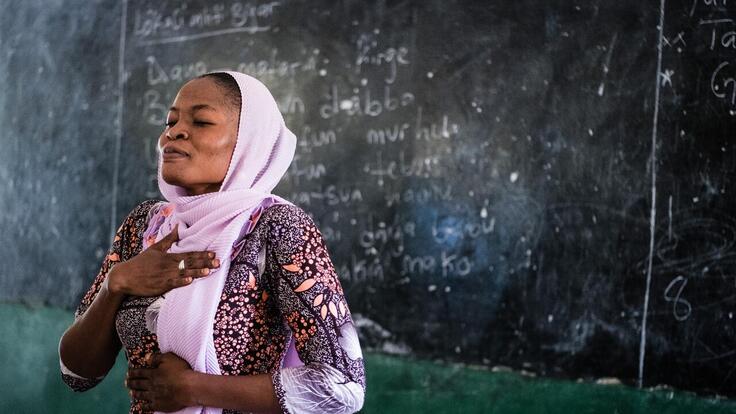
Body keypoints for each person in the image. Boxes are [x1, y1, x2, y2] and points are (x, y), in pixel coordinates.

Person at [58, 71, 366, 414]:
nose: (173, 132)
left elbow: (342, 387)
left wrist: (194, 388)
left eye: (202, 121)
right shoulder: (145, 226)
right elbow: (76, 375)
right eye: (169, 121)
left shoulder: (276, 226)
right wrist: (115, 285)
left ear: (248, 141)